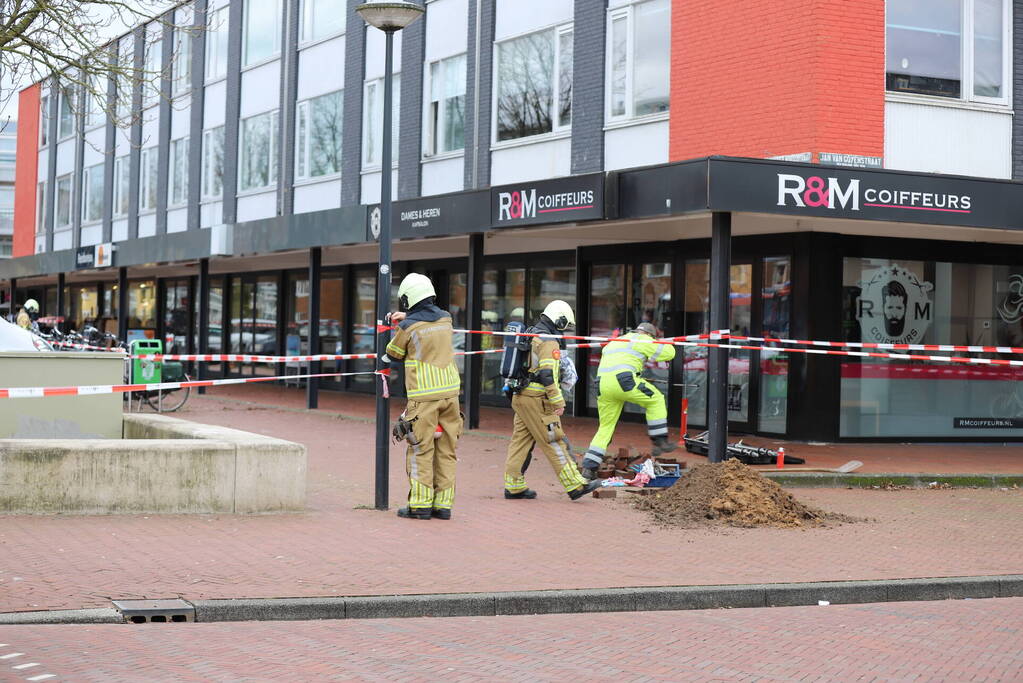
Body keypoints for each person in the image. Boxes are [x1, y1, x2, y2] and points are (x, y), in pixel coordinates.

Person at [503, 300, 602, 501]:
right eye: (564, 325)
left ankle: (513, 486)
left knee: (520, 442)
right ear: (560, 319)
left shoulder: (532, 333)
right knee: (554, 440)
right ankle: (575, 485)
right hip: (538, 399)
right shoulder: (548, 340)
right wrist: (558, 401)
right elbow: (547, 374)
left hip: (521, 396)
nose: (564, 330)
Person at [383, 273, 463, 521]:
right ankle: (443, 505)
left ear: (408, 299)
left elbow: (393, 354)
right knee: (447, 451)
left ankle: (419, 505)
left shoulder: (408, 327)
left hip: (424, 397)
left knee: (420, 449)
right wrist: (407, 318)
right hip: (451, 394)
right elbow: (430, 318)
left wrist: (400, 324)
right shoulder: (446, 319)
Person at [580, 322, 677, 480]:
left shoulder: (616, 341)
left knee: (605, 427)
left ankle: (589, 467)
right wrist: (665, 342)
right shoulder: (642, 339)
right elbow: (669, 353)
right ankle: (660, 440)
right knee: (656, 399)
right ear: (649, 335)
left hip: (602, 385)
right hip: (624, 381)